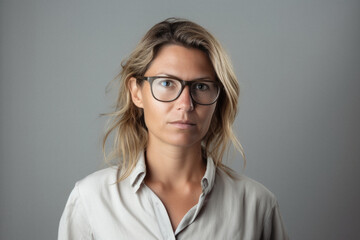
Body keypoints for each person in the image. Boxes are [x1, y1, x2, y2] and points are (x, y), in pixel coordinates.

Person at [58, 18, 288, 240]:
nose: (186, 104)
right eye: (167, 83)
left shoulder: (258, 206)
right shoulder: (91, 199)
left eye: (201, 86)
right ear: (136, 92)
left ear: (218, 98)